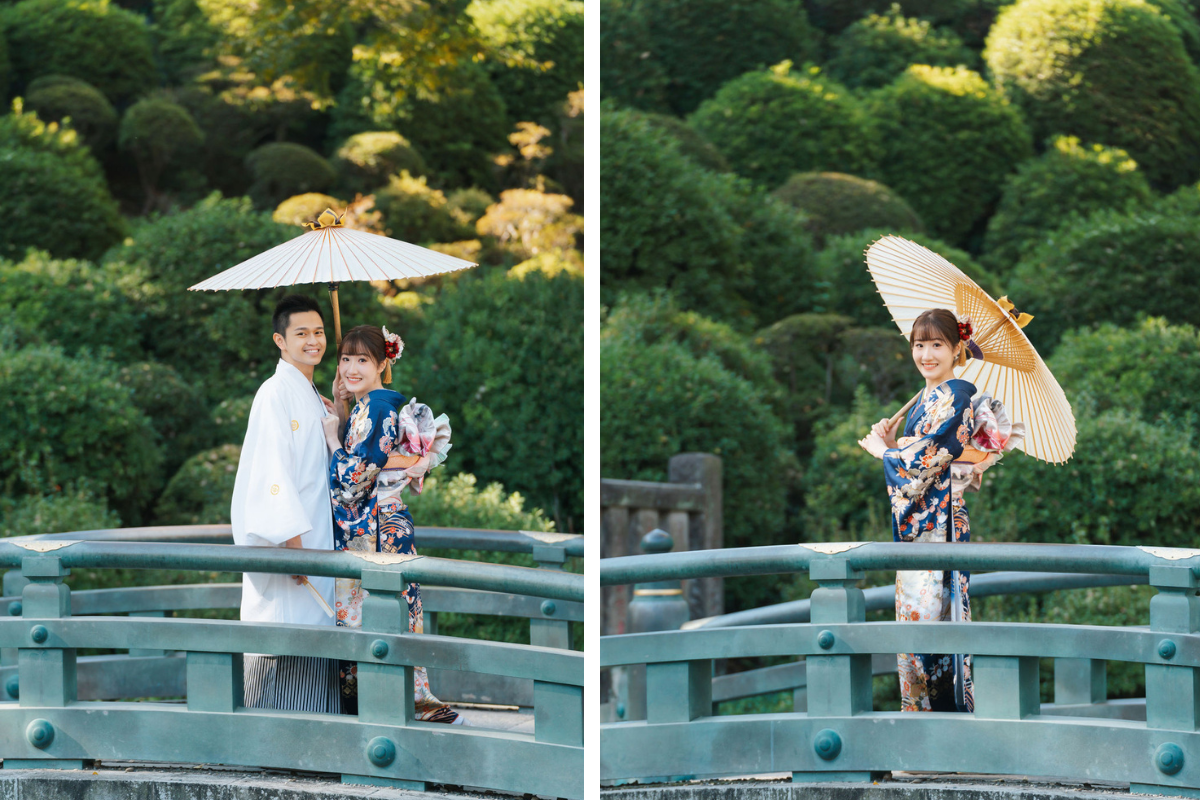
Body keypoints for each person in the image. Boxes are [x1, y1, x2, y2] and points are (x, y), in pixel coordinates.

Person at [321, 324, 462, 724]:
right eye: (345, 358)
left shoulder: (380, 408)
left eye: (362, 359)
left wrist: (333, 438)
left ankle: (412, 707)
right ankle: (387, 707)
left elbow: (355, 481)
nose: (350, 367)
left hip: (377, 525)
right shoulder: (370, 405)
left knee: (380, 617)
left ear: (384, 363)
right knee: (383, 616)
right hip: (379, 523)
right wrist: (340, 403)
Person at [857, 307, 981, 713]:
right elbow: (921, 458)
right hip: (922, 528)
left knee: (935, 629)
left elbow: (926, 464)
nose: (926, 354)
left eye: (937, 345)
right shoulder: (929, 398)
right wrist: (894, 442)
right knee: (914, 629)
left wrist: (884, 453)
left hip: (939, 527)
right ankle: (921, 735)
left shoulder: (958, 396)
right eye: (919, 345)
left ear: (958, 348)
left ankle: (943, 738)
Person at [230, 294, 341, 713]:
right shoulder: (275, 393)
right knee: (285, 641)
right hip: (293, 546)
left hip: (317, 540)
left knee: (314, 643)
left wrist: (338, 402)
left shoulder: (310, 393)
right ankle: (276, 750)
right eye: (301, 333)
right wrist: (291, 546)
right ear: (280, 339)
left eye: (318, 332)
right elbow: (270, 473)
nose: (313, 340)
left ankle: (312, 748)